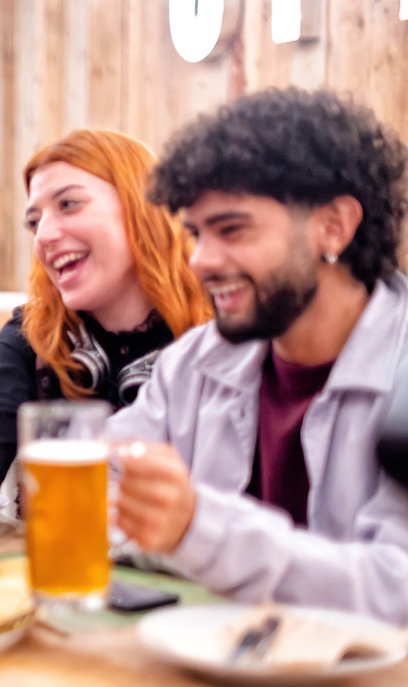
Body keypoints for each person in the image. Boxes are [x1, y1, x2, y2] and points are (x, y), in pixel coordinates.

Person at [108, 87, 408, 624]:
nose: (201, 260)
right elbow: (102, 491)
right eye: (196, 234)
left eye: (232, 229)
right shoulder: (195, 362)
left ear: (334, 225)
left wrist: (199, 530)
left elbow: (396, 589)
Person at [0, 129, 212, 551]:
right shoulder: (35, 336)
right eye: (35, 221)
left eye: (68, 205)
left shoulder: (219, 333)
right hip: (62, 582)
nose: (43, 236)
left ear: (143, 207)